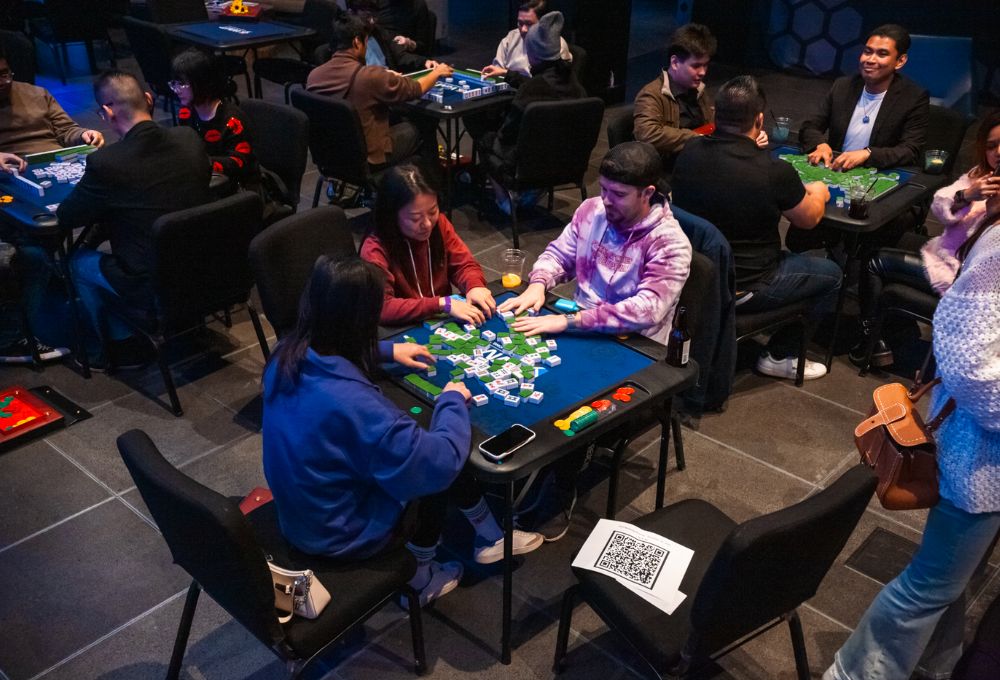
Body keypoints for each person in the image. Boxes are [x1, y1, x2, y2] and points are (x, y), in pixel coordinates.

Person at [262, 256, 543, 606]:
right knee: (434, 453)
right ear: (361, 321)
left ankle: (490, 535)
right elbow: (437, 464)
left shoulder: (284, 355)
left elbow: (333, 351)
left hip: (301, 516)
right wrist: (452, 400)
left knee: (422, 442)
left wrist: (385, 350)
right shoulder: (355, 405)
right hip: (343, 536)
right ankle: (420, 579)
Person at [822, 206, 1000, 680]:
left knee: (951, 578)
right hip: (981, 458)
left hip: (984, 456)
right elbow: (969, 363)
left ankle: (935, 665)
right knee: (930, 584)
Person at [498, 142, 691, 541]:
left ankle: (549, 504)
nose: (606, 200)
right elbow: (560, 252)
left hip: (636, 351)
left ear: (648, 193)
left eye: (618, 194)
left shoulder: (671, 244)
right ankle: (499, 477)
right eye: (603, 189)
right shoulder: (592, 212)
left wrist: (567, 322)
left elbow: (644, 311)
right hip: (577, 324)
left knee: (571, 411)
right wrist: (539, 283)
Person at [672, 75, 838, 381]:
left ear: (716, 115)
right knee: (832, 275)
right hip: (746, 285)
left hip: (691, 275)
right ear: (759, 120)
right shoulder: (774, 171)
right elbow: (809, 219)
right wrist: (819, 190)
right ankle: (779, 355)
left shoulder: (689, 152)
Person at [60, 70, 214, 367]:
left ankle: (121, 346)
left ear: (106, 112)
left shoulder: (106, 162)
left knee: (76, 262)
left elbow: (67, 216)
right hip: (208, 267)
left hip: (153, 282)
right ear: (148, 99)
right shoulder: (190, 139)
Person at [851, 110, 1000, 367]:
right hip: (946, 254)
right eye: (991, 146)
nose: (998, 152)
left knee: (875, 260)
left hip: (963, 278)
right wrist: (966, 194)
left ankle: (870, 341)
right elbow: (939, 205)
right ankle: (896, 327)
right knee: (890, 237)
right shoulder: (981, 176)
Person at [790, 24, 929, 253]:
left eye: (882, 54)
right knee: (800, 230)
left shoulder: (913, 97)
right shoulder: (843, 86)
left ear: (900, 61)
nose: (870, 59)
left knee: (870, 241)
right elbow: (810, 126)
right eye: (867, 51)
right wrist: (820, 143)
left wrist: (867, 153)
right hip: (835, 176)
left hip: (876, 178)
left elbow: (910, 149)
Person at [306, 12, 452, 169]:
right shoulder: (370, 77)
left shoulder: (314, 76)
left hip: (331, 158)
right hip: (369, 159)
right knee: (425, 124)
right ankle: (431, 188)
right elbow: (417, 89)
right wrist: (437, 73)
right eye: (366, 42)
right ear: (357, 42)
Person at [360, 164, 496, 326]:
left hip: (442, 318)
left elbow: (464, 265)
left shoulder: (439, 224)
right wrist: (441, 304)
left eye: (432, 211)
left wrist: (474, 285)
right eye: (415, 218)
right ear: (392, 215)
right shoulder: (375, 248)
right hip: (402, 329)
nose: (427, 224)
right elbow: (382, 308)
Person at [479, 10, 585, 214]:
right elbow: (542, 84)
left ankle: (505, 202)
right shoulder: (578, 88)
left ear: (533, 54)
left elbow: (506, 135)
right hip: (565, 165)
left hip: (524, 168)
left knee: (486, 139)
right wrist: (509, 75)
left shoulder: (531, 92)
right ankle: (535, 191)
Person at [170, 48, 260, 192]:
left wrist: (199, 162)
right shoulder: (186, 112)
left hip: (239, 188)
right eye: (174, 83)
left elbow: (239, 164)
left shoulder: (233, 121)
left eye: (182, 84)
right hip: (206, 180)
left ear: (202, 83)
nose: (176, 89)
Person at [0, 49, 104, 158]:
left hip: (55, 157)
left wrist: (83, 134)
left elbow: (66, 129)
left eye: (4, 74)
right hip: (9, 164)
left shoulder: (37, 93)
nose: (1, 82)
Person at [481, 0, 572, 89]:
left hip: (537, 97)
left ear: (542, 24)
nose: (523, 29)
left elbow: (546, 86)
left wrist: (507, 73)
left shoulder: (555, 46)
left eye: (529, 24)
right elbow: (497, 74)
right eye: (520, 23)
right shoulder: (511, 38)